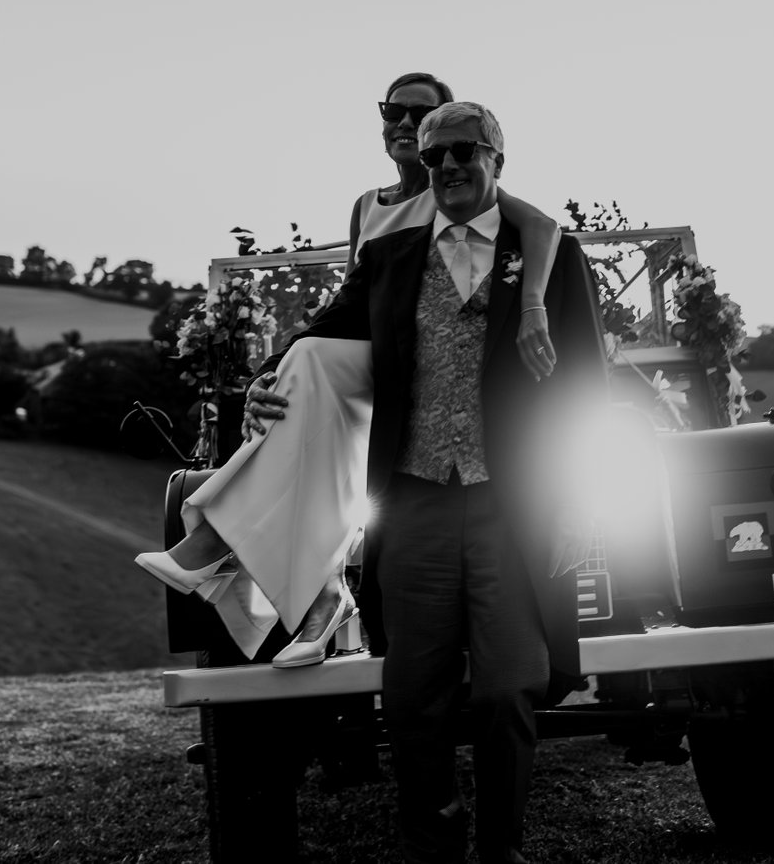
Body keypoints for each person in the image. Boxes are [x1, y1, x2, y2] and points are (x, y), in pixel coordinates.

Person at [247, 101, 607, 864]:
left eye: (467, 151)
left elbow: (585, 389)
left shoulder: (549, 257)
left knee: (511, 683)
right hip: (413, 507)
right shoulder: (390, 258)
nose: (448, 165)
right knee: (414, 700)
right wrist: (263, 378)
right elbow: (318, 338)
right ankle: (433, 849)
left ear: (498, 162)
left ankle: (502, 848)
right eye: (437, 154)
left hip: (513, 510)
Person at [134, 73, 568, 665]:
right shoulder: (367, 205)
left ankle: (224, 544)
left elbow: (544, 229)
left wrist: (534, 305)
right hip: (373, 353)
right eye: (392, 110)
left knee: (312, 368)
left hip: (432, 361)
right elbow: (350, 301)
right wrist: (270, 371)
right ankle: (321, 592)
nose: (405, 124)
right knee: (307, 374)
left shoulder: (459, 185)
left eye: (422, 114)